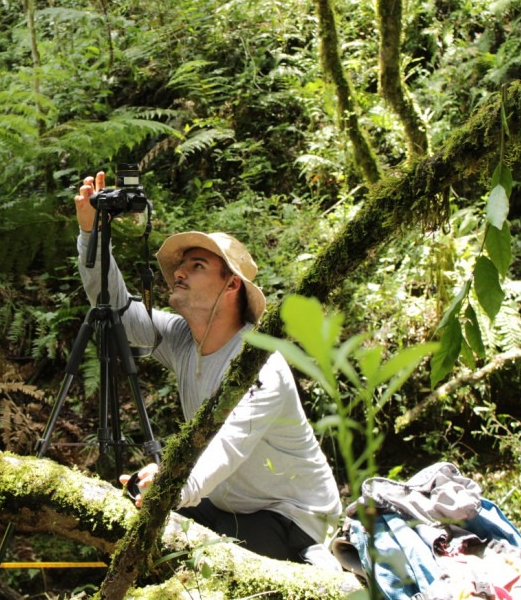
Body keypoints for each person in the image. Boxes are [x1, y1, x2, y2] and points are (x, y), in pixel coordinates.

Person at [74, 171, 341, 563]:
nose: (178, 272)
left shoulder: (260, 362)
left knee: (182, 550)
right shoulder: (183, 338)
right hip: (223, 506)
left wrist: (169, 486)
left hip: (290, 517)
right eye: (180, 266)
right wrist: (90, 232)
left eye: (196, 265)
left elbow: (229, 444)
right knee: (132, 517)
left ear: (231, 285)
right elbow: (114, 306)